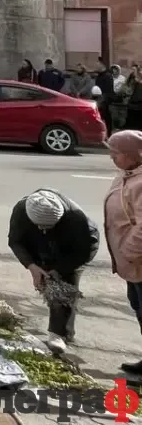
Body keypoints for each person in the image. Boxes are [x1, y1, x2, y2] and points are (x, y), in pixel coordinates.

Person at [7, 189, 99, 354]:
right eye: (40, 225)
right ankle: (64, 330)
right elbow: (15, 241)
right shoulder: (22, 210)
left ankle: (59, 334)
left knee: (63, 288)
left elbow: (84, 252)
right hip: (39, 246)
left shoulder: (76, 220)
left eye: (49, 226)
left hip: (71, 251)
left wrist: (59, 269)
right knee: (48, 283)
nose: (44, 228)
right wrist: (31, 266)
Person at [106, 131, 142, 375]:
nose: (111, 158)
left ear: (132, 155)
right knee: (139, 308)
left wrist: (128, 251)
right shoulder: (127, 175)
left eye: (115, 153)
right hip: (132, 262)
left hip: (137, 258)